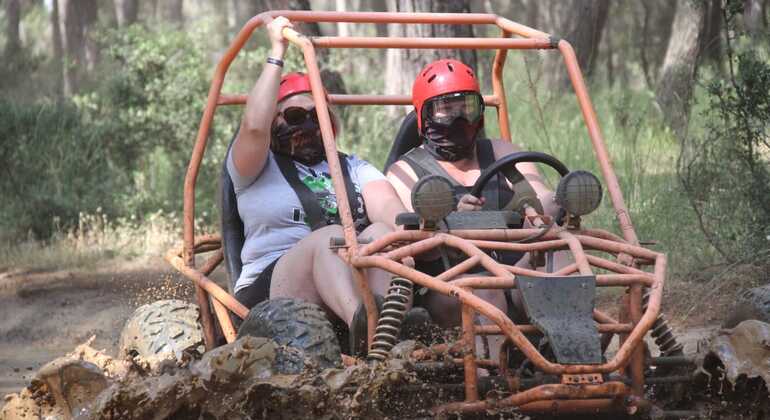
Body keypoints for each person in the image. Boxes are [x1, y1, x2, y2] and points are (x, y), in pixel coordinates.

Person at [228, 16, 406, 353]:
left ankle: (386, 328)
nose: (307, 125)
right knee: (327, 237)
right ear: (273, 120)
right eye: (295, 117)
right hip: (273, 291)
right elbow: (253, 126)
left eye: (316, 116)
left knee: (384, 233)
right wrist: (277, 50)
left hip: (350, 274)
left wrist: (408, 235)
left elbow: (388, 206)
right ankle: (365, 327)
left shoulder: (350, 165)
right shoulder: (254, 164)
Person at [386, 58, 564, 330]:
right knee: (484, 291)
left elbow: (541, 197)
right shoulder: (404, 172)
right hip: (448, 282)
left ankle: (581, 356)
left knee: (560, 259)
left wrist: (552, 205)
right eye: (446, 109)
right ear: (424, 116)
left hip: (518, 270)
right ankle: (490, 372)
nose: (459, 119)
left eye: (466, 107)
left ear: (479, 112)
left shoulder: (502, 152)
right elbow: (405, 237)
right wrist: (451, 218)